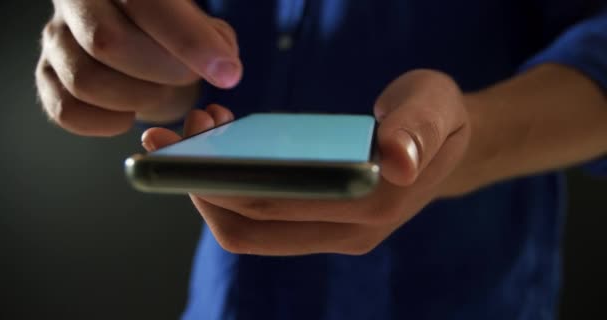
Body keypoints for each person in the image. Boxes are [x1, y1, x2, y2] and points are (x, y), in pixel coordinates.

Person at [35, 1, 607, 319]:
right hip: (224, 299)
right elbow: (196, 54)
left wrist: (472, 137)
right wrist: (124, 55)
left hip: (462, 293)